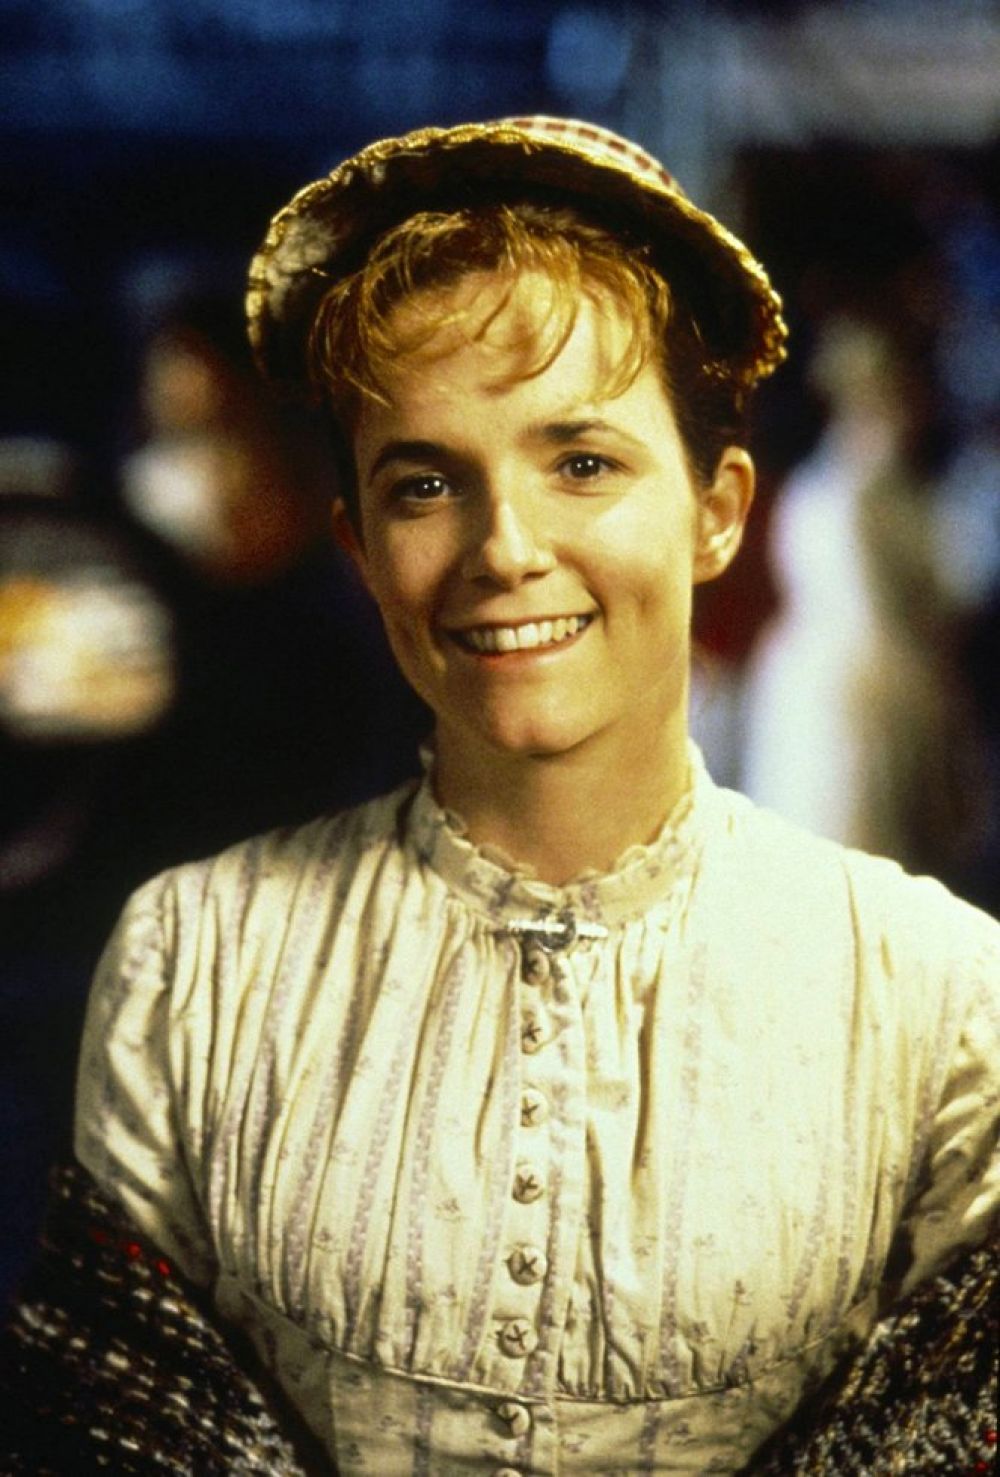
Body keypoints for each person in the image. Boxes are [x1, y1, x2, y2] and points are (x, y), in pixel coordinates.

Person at [6, 117, 997, 1474]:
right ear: (360, 543)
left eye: (582, 463)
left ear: (718, 510)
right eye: (426, 483)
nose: (506, 549)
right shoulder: (193, 960)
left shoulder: (936, 992)